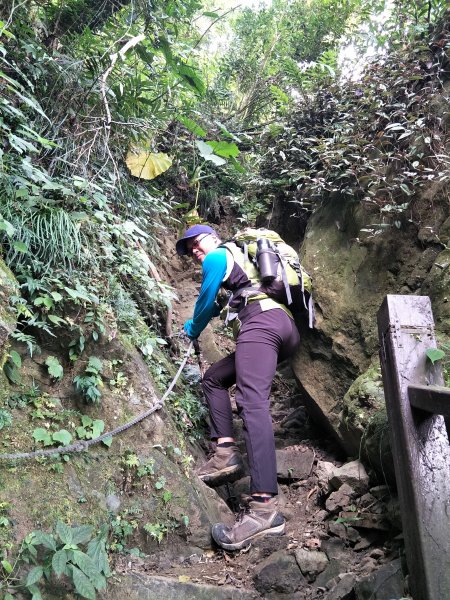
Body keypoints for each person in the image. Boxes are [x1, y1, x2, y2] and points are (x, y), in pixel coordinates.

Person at [176, 223, 300, 550]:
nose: (195, 251)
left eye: (196, 243)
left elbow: (204, 302)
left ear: (213, 238)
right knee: (214, 378)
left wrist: (192, 326)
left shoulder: (218, 255)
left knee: (251, 402)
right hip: (278, 324)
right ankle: (225, 452)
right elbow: (222, 301)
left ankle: (263, 509)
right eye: (190, 251)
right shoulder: (241, 263)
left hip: (261, 321)